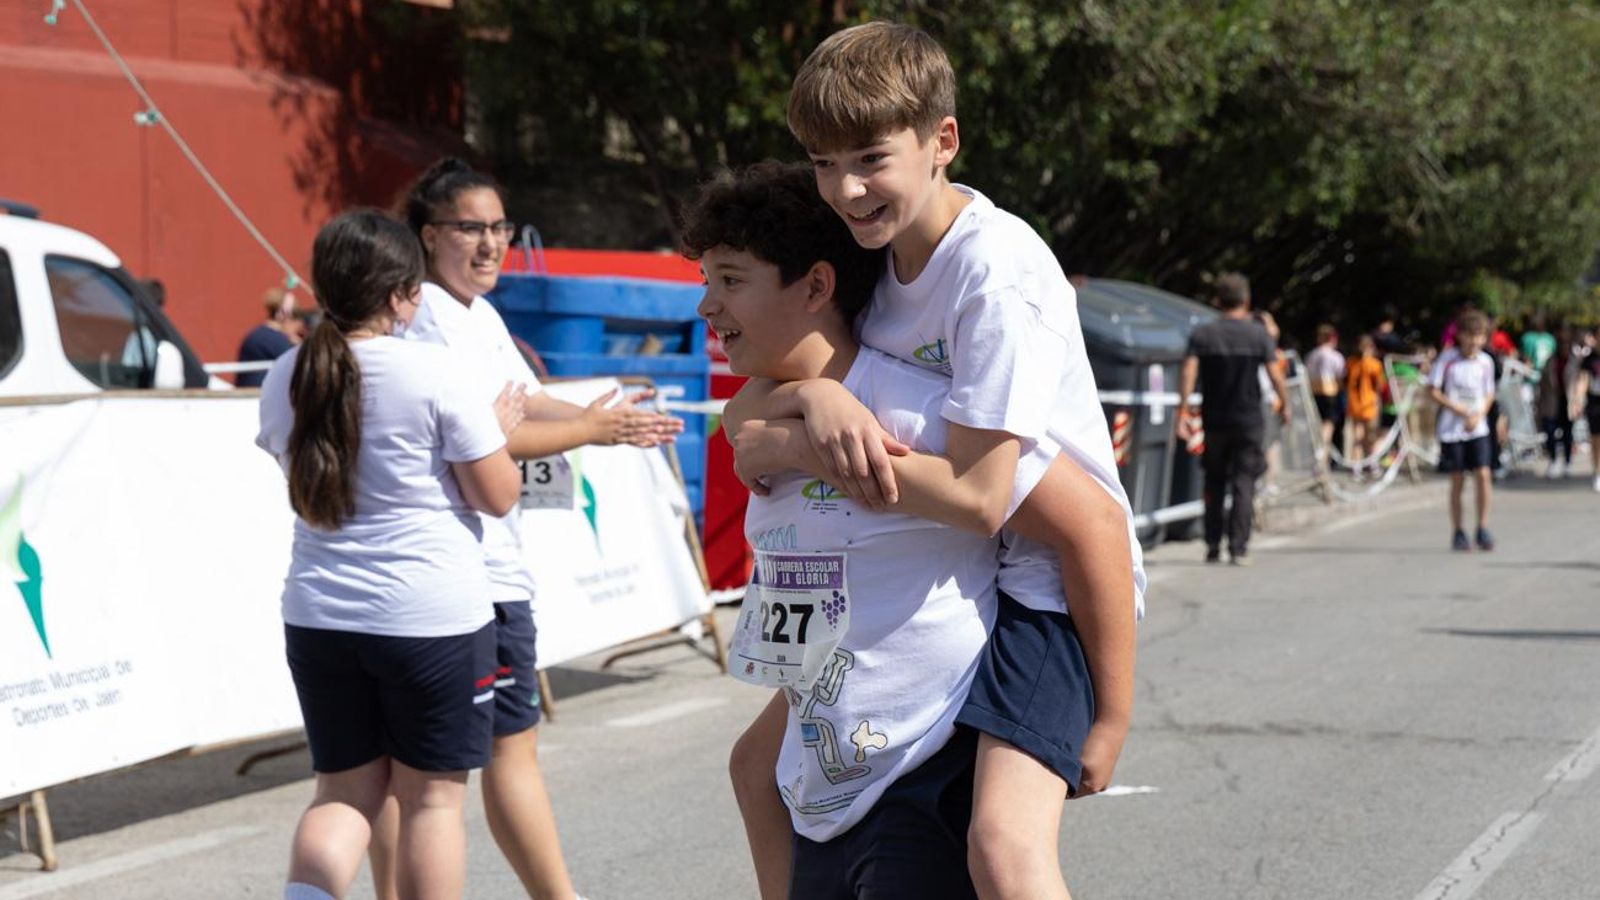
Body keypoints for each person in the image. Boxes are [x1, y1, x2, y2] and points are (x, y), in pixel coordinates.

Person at [725, 24, 1143, 900]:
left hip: (1052, 582)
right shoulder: (880, 256)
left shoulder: (995, 274)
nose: (845, 188)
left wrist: (1110, 716)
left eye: (871, 157)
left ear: (942, 140)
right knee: (756, 767)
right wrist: (810, 406)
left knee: (1002, 846)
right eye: (821, 162)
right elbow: (772, 395)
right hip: (966, 565)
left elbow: (991, 497)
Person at [359, 158, 679, 900]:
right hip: (466, 581)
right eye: (470, 228)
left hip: (465, 578)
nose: (490, 243)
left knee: (435, 766)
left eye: (499, 227)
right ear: (427, 234)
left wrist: (608, 422)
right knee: (445, 776)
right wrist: (593, 431)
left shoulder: (476, 314)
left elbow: (526, 402)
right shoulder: (428, 320)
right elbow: (483, 440)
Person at [256, 209, 525, 900]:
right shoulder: (434, 371)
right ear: (404, 296)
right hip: (430, 616)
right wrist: (496, 434)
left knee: (343, 794)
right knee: (433, 801)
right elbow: (498, 496)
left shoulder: (286, 371)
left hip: (320, 612)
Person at [1176, 273, 1290, 565]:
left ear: (1218, 300)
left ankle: (1212, 544)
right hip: (1249, 419)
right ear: (1246, 300)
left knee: (1214, 480)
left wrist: (1183, 408)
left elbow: (1189, 370)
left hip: (1214, 418)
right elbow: (1275, 373)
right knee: (1243, 482)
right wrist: (1285, 403)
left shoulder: (1203, 334)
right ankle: (1238, 548)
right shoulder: (1257, 334)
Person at [1430, 311, 1497, 550]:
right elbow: (1434, 390)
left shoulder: (1485, 361)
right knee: (1458, 479)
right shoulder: (1448, 359)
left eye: (1479, 336)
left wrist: (1479, 414)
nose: (1474, 342)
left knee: (1483, 474)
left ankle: (1482, 527)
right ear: (1460, 336)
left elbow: (1489, 393)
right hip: (1452, 428)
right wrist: (1458, 409)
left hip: (1477, 427)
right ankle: (1458, 530)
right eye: (1470, 336)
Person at [238, 285, 303, 387]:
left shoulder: (259, 335)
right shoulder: (274, 340)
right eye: (296, 317)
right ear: (285, 316)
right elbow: (300, 362)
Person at [1536, 325, 1578, 479]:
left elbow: (1579, 384)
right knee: (1550, 432)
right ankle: (1553, 460)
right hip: (1551, 402)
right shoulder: (1550, 362)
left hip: (1568, 403)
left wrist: (1578, 403)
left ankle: (1567, 462)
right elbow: (1542, 384)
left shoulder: (1575, 363)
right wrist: (1539, 405)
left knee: (1567, 434)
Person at [1345, 334, 1387, 477]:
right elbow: (1379, 386)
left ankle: (1357, 466)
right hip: (1369, 403)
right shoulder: (1374, 364)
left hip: (1355, 403)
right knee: (1370, 436)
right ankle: (1371, 464)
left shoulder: (1351, 362)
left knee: (1358, 435)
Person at [1304, 324, 1345, 467]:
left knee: (1318, 424)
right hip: (1330, 393)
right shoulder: (1334, 356)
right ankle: (1321, 457)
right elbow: (1340, 377)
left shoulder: (1312, 354)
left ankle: (1323, 457)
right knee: (1328, 426)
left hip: (1314, 393)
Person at [1572, 326, 1600, 492]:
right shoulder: (1590, 359)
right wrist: (1577, 399)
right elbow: (1582, 380)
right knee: (1595, 439)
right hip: (1595, 401)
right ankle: (1597, 472)